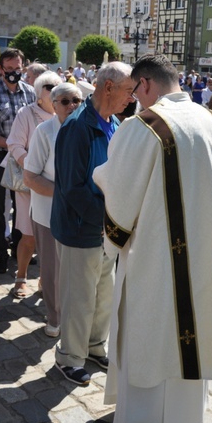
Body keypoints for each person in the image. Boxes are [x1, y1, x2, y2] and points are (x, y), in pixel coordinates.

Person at [93, 54, 212, 423]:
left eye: (135, 92)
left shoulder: (145, 124)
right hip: (202, 253)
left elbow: (120, 192)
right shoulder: (209, 119)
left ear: (145, 84)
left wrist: (103, 175)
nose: (136, 100)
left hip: (154, 257)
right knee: (189, 335)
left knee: (151, 335)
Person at [51, 62, 133, 386]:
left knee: (103, 294)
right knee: (79, 298)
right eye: (129, 90)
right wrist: (104, 220)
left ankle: (95, 346)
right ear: (109, 87)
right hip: (81, 228)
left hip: (105, 227)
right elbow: (72, 187)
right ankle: (69, 356)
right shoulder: (77, 126)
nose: (133, 97)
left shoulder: (112, 122)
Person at [23, 83, 82, 338]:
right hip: (49, 212)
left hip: (81, 212)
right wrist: (66, 194)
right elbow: (31, 176)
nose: (72, 106)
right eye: (66, 101)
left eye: (77, 101)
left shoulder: (85, 129)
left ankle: (76, 314)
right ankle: (55, 317)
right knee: (52, 269)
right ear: (54, 104)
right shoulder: (44, 131)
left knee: (78, 268)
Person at [0, 49, 36, 274]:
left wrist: (22, 150)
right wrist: (10, 144)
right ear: (1, 69)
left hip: (23, 157)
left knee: (22, 206)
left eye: (17, 69)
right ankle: (1, 254)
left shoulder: (30, 93)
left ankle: (20, 250)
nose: (13, 73)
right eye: (9, 69)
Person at [5, 72, 58, 298]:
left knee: (54, 237)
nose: (53, 89)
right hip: (30, 184)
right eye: (48, 86)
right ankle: (21, 276)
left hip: (56, 186)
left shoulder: (68, 114)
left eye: (57, 85)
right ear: (38, 93)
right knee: (29, 235)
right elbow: (14, 144)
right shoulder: (26, 113)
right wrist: (33, 167)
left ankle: (46, 280)